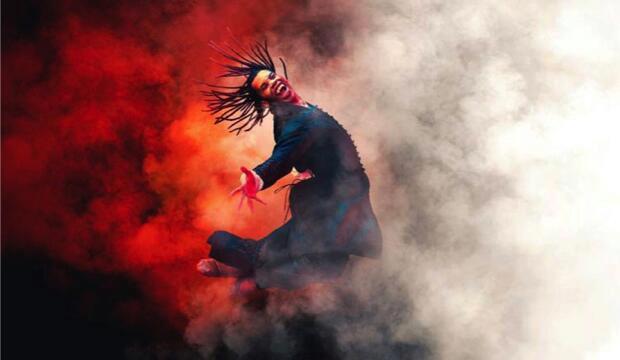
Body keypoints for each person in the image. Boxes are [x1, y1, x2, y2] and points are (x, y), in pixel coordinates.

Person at [197, 40, 382, 295]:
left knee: (302, 245)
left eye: (271, 77)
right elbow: (283, 155)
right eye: (265, 86)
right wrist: (258, 178)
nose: (272, 82)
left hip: (335, 191)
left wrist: (305, 168)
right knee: (326, 262)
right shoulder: (295, 122)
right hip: (335, 195)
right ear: (264, 100)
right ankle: (250, 278)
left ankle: (240, 268)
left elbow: (300, 153)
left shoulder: (297, 113)